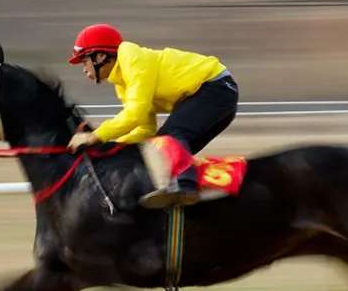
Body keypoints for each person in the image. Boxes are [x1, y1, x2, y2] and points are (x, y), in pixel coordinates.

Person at [66, 24, 239, 209]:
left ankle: (184, 187)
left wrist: (94, 136)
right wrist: (113, 147)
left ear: (100, 56)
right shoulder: (122, 84)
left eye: (84, 61)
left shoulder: (132, 58)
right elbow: (145, 128)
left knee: (169, 138)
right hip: (217, 93)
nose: (84, 69)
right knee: (161, 151)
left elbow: (135, 114)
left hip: (215, 87)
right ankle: (199, 190)